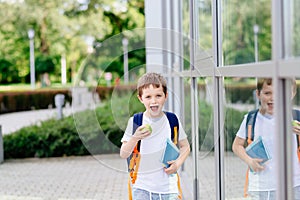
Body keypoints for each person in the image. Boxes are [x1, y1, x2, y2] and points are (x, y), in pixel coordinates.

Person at [120, 72, 190, 200]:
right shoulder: (135, 122)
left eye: (158, 95)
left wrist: (177, 164)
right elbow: (123, 154)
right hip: (141, 188)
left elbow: (185, 146)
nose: (154, 101)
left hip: (169, 189)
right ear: (140, 98)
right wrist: (135, 137)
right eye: (148, 97)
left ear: (166, 96)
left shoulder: (172, 120)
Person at [232, 78, 300, 200]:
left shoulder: (295, 118)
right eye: (267, 93)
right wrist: (249, 161)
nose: (272, 98)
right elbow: (236, 145)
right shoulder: (251, 119)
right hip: (260, 187)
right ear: (258, 94)